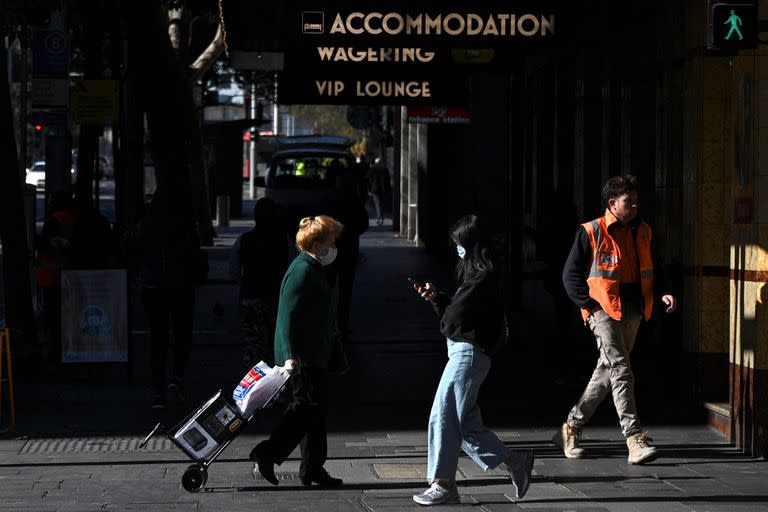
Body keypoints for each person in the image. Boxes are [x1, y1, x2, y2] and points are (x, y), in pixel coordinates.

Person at [410, 213, 534, 506]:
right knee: (465, 424)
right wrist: (438, 300)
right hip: (468, 353)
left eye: (459, 244)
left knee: (443, 415)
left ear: (470, 244)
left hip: (467, 354)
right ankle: (516, 462)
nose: (457, 250)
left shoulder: (482, 277)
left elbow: (454, 320)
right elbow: (458, 315)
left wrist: (447, 312)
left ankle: (443, 484)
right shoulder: (477, 275)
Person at [554, 175, 677, 464]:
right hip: (604, 311)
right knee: (622, 369)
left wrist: (663, 292)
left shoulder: (643, 230)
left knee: (607, 371)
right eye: (628, 201)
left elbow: (654, 267)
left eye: (636, 200)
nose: (634, 205)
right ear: (613, 203)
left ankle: (570, 428)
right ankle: (634, 439)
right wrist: (590, 307)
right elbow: (569, 276)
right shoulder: (591, 231)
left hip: (634, 309)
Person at [249, 215, 345, 489]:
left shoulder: (312, 267)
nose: (335, 245)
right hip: (303, 355)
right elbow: (287, 316)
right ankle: (268, 453)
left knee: (315, 411)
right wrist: (289, 354)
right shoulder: (302, 270)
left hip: (314, 352)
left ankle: (313, 468)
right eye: (331, 241)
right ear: (317, 245)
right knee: (306, 408)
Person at [125, 195, 207, 409]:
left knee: (157, 337)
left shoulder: (145, 225)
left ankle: (158, 390)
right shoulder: (184, 225)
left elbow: (131, 248)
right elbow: (195, 253)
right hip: (181, 286)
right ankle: (177, 377)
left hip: (153, 286)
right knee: (182, 334)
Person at [229, 198, 290, 371]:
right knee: (275, 344)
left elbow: (234, 271)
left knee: (253, 345)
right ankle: (275, 386)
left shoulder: (244, 240)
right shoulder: (284, 240)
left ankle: (253, 385)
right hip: (275, 298)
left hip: (250, 297)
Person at [366, 156, 391, 226]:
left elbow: (368, 180)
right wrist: (388, 189)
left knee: (378, 204)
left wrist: (369, 190)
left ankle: (379, 218)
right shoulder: (385, 169)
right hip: (384, 189)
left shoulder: (372, 169)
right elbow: (388, 180)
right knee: (381, 204)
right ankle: (380, 217)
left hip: (375, 189)